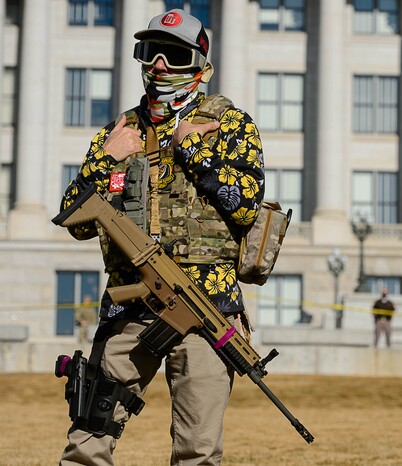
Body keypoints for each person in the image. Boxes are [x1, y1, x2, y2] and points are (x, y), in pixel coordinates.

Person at [58, 9, 264, 465]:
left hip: (206, 309)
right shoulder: (121, 130)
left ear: (199, 65)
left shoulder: (229, 124)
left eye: (172, 55)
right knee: (87, 441)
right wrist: (107, 160)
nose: (159, 66)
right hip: (129, 308)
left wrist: (193, 150)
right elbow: (74, 219)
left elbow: (247, 204)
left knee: (198, 451)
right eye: (151, 53)